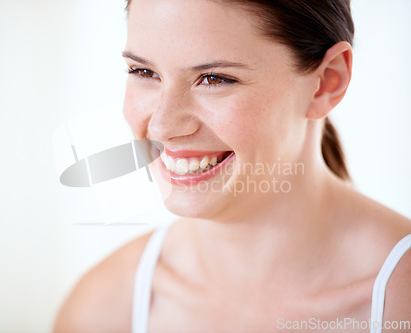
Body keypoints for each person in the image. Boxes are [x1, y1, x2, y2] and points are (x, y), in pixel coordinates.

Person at [53, 0, 411, 332]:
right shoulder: (102, 308)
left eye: (214, 78)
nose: (161, 126)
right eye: (144, 71)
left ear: (327, 82)